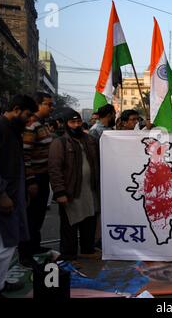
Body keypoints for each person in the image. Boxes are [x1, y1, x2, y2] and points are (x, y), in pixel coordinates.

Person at [0, 95, 38, 298]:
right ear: (17, 109)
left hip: (11, 197)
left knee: (6, 247)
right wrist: (1, 194)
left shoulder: (13, 131)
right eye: (28, 115)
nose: (30, 120)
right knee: (1, 248)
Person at [48, 110, 100, 261]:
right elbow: (54, 169)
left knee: (89, 221)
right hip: (71, 191)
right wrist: (59, 192)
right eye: (72, 122)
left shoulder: (90, 140)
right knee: (70, 225)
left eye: (78, 122)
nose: (76, 125)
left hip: (90, 190)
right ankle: (69, 255)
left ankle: (87, 250)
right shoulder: (60, 143)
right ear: (66, 124)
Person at [18, 92, 54, 267]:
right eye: (48, 104)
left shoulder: (43, 124)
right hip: (35, 178)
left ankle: (35, 246)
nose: (51, 107)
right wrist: (31, 181)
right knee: (30, 217)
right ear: (38, 105)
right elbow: (25, 156)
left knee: (38, 215)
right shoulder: (31, 124)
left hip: (44, 175)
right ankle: (25, 254)